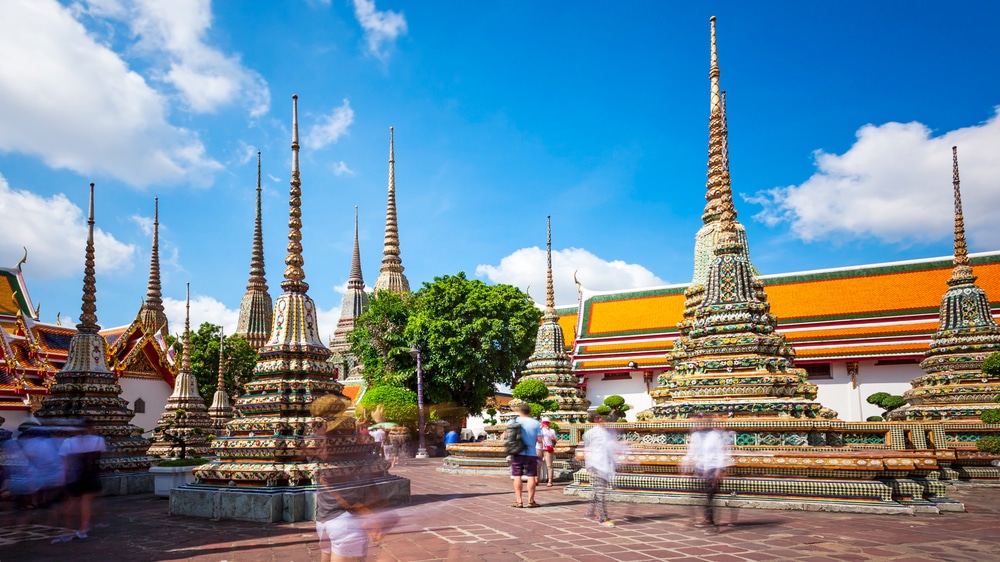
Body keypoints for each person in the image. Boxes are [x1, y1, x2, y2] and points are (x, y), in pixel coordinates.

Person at [681, 414, 732, 533]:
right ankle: (701, 519)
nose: (698, 425)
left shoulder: (715, 436)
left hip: (713, 468)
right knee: (696, 495)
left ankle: (713, 524)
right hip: (700, 467)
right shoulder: (695, 436)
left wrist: (718, 472)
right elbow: (691, 452)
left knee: (710, 496)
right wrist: (683, 464)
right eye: (697, 423)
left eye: (701, 423)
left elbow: (720, 454)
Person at [56, 421, 106, 542]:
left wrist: (64, 476)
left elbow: (66, 462)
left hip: (75, 475)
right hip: (90, 475)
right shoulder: (98, 440)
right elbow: (100, 457)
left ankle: (67, 530)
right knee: (85, 502)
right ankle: (83, 529)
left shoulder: (69, 442)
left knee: (70, 503)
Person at [582, 413, 625, 527]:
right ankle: (603, 518)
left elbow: (611, 448)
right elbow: (588, 450)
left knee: (598, 491)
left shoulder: (608, 433)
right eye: (599, 418)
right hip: (595, 465)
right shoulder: (590, 433)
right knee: (600, 492)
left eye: (602, 418)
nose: (602, 420)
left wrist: (615, 463)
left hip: (605, 465)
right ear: (595, 420)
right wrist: (588, 465)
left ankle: (589, 513)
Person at [508, 403, 542, 508]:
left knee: (517, 475)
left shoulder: (513, 421)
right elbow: (539, 440)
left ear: (519, 411)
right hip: (531, 452)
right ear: (530, 412)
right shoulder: (535, 423)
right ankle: (531, 501)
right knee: (531, 475)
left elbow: (506, 436)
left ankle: (519, 501)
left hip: (517, 452)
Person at [538, 417, 558, 487]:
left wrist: (553, 438)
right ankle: (536, 480)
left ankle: (550, 480)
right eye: (544, 423)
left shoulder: (552, 430)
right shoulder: (539, 430)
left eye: (547, 423)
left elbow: (555, 440)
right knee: (538, 465)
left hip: (548, 449)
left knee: (549, 465)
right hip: (539, 448)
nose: (546, 424)